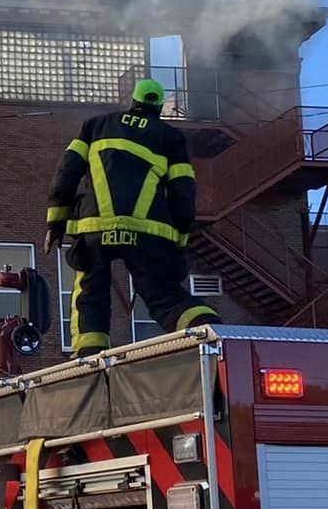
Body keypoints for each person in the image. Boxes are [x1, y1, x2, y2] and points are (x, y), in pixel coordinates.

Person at [44, 77, 219, 353]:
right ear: (159, 107)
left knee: (90, 293)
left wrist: (55, 223)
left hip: (94, 229)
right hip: (148, 233)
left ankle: (89, 355)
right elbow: (184, 192)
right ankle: (210, 330)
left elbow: (66, 174)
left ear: (133, 101)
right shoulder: (171, 137)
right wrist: (180, 237)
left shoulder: (94, 126)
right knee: (164, 294)